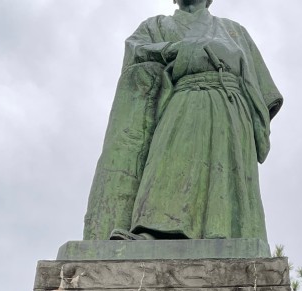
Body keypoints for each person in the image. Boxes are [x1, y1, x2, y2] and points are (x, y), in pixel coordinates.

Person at [84, 0, 282, 243]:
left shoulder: (234, 31)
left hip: (229, 106)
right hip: (181, 95)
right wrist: (179, 50)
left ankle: (224, 232)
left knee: (224, 168)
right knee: (168, 157)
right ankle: (154, 229)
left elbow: (266, 94)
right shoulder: (154, 26)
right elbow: (136, 52)